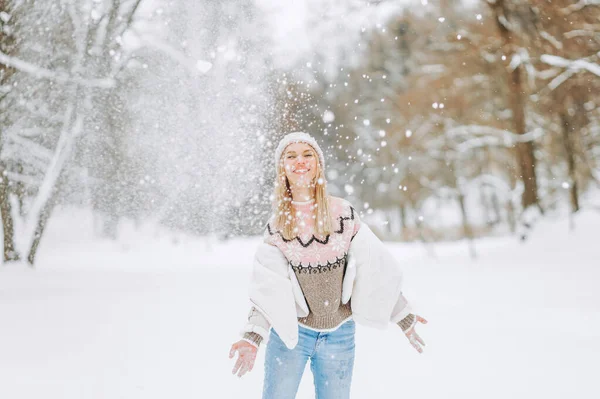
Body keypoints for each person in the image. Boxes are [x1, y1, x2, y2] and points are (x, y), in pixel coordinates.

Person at [229, 132, 427, 399]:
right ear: (282, 169)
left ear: (318, 164)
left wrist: (402, 314)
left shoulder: (343, 213)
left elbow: (374, 268)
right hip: (291, 337)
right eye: (291, 156)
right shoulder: (277, 226)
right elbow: (269, 288)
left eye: (307, 154)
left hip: (340, 335)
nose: (300, 161)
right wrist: (252, 337)